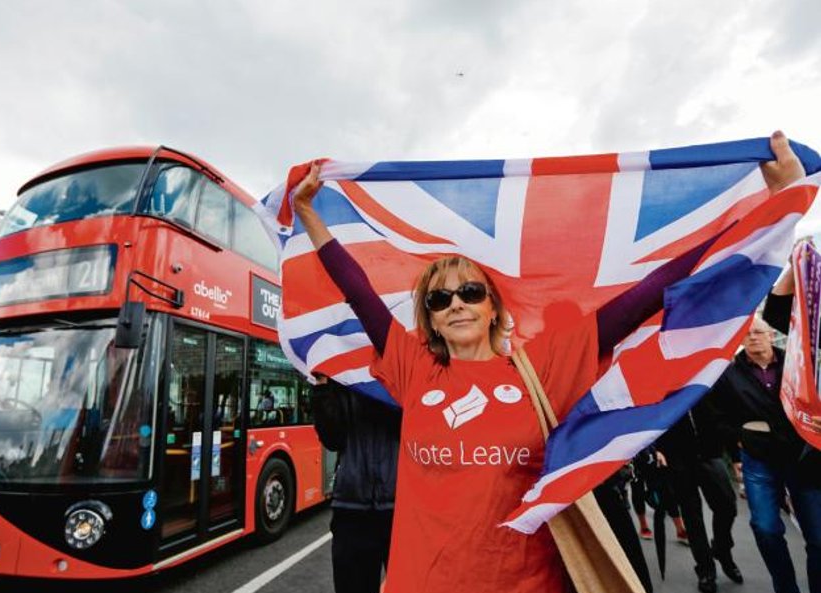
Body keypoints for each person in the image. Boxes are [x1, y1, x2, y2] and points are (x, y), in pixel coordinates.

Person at [291, 131, 804, 592]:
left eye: (470, 291)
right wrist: (310, 213)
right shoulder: (411, 366)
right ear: (429, 317)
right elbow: (357, 289)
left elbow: (647, 294)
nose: (456, 305)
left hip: (527, 582)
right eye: (440, 299)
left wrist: (773, 208)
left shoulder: (540, 366)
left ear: (493, 305)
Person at [713, 269, 821, 593]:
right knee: (765, 528)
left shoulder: (795, 364)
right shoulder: (729, 376)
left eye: (758, 332)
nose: (753, 338)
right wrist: (739, 440)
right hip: (758, 458)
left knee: (817, 535)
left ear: (768, 334)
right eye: (746, 335)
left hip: (801, 456)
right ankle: (785, 587)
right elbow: (719, 418)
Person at [312, 375, 401, 593]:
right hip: (351, 509)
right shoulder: (338, 374)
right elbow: (332, 439)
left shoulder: (404, 364)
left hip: (402, 510)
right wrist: (322, 387)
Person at [656, 400, 742, 592]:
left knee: (727, 506)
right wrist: (657, 448)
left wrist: (735, 456)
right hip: (677, 456)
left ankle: (721, 548)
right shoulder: (661, 380)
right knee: (692, 516)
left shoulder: (704, 375)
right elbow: (652, 413)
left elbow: (722, 414)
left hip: (710, 452)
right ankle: (705, 571)